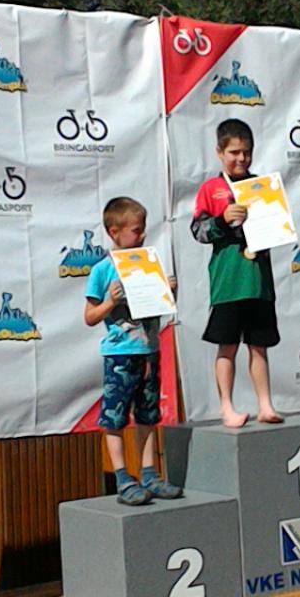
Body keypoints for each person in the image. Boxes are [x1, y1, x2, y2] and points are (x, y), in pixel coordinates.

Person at [85, 197, 179, 506]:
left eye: (143, 229)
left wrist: (168, 292)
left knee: (148, 413)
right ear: (115, 232)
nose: (142, 235)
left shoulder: (147, 265)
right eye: (136, 230)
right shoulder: (102, 270)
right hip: (120, 353)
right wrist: (110, 302)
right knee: (114, 416)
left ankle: (150, 474)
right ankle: (123, 478)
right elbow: (90, 316)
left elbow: (159, 308)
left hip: (149, 348)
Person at [191, 119, 282, 428]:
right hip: (228, 282)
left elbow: (278, 227)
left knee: (259, 345)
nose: (241, 158)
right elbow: (198, 231)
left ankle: (265, 404)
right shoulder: (210, 189)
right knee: (227, 345)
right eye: (234, 152)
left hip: (257, 281)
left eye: (247, 152)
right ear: (219, 152)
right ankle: (226, 407)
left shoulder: (262, 186)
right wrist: (221, 219)